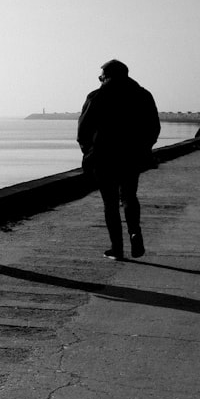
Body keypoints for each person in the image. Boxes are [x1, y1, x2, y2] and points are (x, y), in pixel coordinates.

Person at [77, 60, 160, 260]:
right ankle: (134, 232)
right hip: (132, 156)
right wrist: (144, 148)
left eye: (101, 77)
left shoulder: (97, 96)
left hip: (104, 157)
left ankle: (117, 248)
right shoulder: (143, 95)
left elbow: (83, 130)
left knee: (110, 203)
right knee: (129, 196)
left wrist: (88, 151)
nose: (100, 80)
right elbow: (153, 127)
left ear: (107, 76)